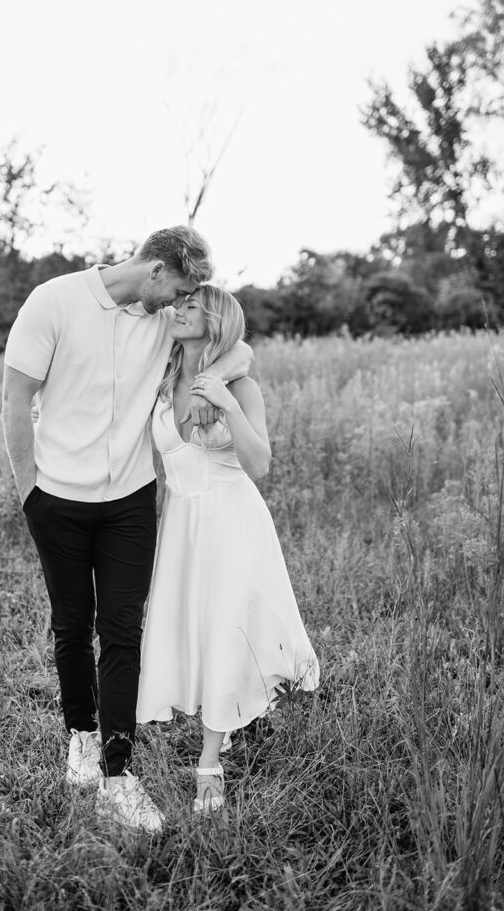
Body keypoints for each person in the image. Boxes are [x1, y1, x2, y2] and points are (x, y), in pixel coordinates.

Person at [1, 227, 252, 834]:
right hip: (57, 498)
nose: (184, 301)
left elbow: (231, 345)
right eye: (183, 288)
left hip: (131, 501)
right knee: (71, 624)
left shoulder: (164, 317)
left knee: (121, 631)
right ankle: (80, 737)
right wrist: (29, 494)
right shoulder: (53, 302)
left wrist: (226, 369)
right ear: (158, 271)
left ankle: (119, 774)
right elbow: (14, 400)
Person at [136, 285, 319, 814]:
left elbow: (260, 463)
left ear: (214, 321)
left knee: (225, 628)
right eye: (179, 303)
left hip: (232, 520)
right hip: (181, 523)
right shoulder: (161, 378)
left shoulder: (242, 386)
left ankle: (209, 764)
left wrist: (225, 404)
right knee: (190, 628)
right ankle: (227, 712)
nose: (178, 310)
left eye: (191, 306)